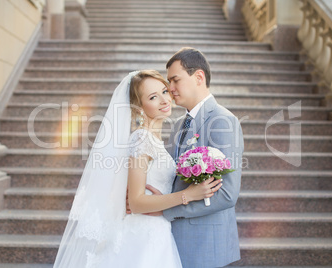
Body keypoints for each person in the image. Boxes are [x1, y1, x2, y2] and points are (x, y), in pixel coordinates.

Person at [53, 70, 222, 268]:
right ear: (138, 108)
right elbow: (136, 202)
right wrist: (188, 195)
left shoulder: (155, 140)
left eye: (164, 92)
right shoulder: (141, 139)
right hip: (143, 233)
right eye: (152, 97)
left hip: (156, 231)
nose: (163, 100)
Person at [148, 48, 244, 268]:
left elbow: (227, 194)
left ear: (199, 77)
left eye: (175, 80)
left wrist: (166, 210)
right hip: (172, 240)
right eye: (168, 82)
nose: (170, 89)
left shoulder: (222, 121)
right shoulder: (179, 125)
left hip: (204, 244)